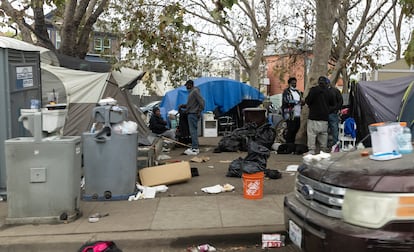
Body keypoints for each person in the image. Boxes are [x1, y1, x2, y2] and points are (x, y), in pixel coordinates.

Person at [305, 76, 331, 154]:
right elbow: (333, 103)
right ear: (326, 83)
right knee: (323, 135)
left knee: (311, 135)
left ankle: (311, 150)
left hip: (313, 117)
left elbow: (308, 101)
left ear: (318, 82)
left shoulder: (313, 90)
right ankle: (323, 150)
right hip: (324, 118)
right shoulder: (328, 91)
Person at [179, 80, 205, 155]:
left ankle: (195, 148)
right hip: (191, 113)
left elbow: (202, 102)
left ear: (190, 85)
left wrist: (198, 112)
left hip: (193, 114)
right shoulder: (192, 92)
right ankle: (194, 146)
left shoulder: (195, 92)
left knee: (193, 131)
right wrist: (183, 106)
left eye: (187, 85)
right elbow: (191, 104)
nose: (186, 87)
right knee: (193, 131)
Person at [282, 77, 303, 143]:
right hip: (290, 114)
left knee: (296, 129)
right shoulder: (286, 92)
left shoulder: (298, 92)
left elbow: (301, 100)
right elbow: (287, 101)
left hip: (298, 114)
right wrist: (297, 102)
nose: (294, 84)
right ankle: (288, 145)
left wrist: (302, 102)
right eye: (292, 83)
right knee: (290, 130)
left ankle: (292, 145)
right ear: (289, 84)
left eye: (295, 83)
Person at [327, 79, 343, 148]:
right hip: (332, 113)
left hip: (329, 113)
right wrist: (336, 109)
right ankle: (335, 145)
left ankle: (333, 145)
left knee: (330, 130)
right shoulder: (335, 91)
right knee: (334, 130)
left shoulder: (333, 91)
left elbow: (340, 101)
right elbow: (340, 101)